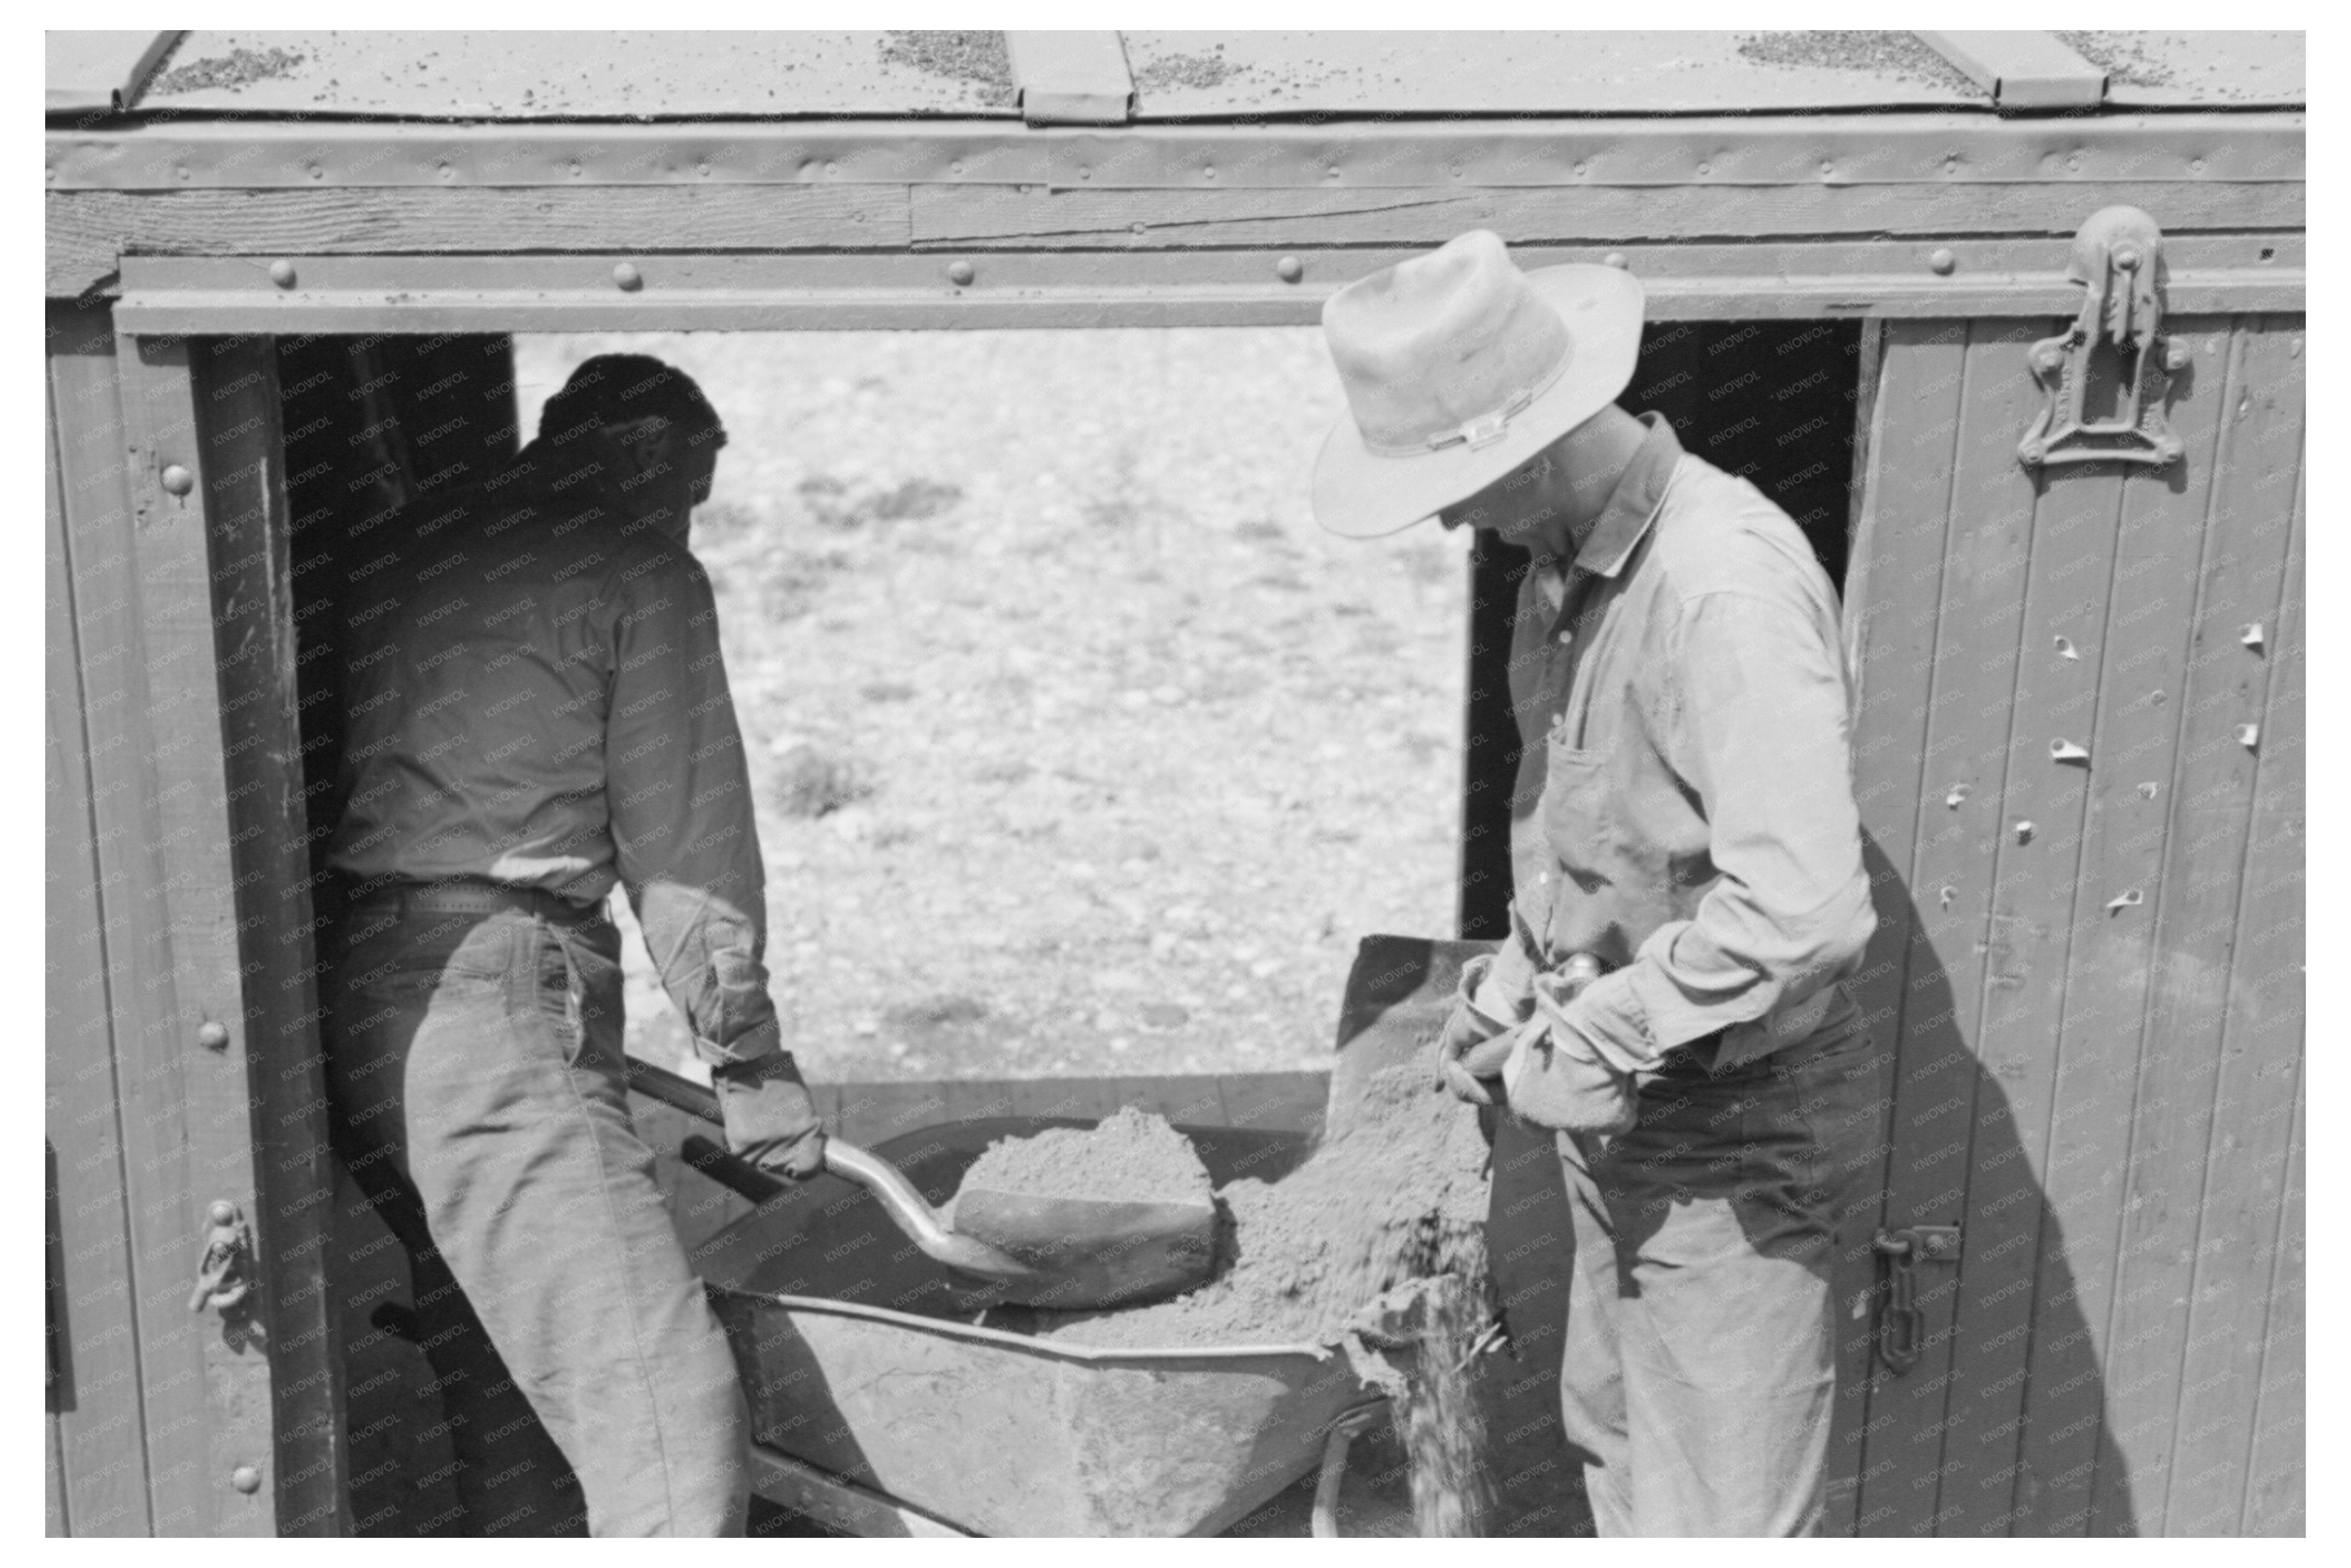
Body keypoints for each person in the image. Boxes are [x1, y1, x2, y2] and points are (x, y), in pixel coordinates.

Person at [1309, 231, 1882, 1536]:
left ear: (1542, 439)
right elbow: (1591, 827)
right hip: (1620, 1105)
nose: (1450, 515)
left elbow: (1802, 908)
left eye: (1455, 484)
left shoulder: (1717, 587)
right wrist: (1514, 982)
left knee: (1720, 1523)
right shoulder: (1557, 573)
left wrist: (1603, 1025)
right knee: (1619, 1455)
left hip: (1732, 1122)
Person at [322, 354, 824, 1536]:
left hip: (360, 1001)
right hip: (497, 1006)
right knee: (664, 1406)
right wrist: (750, 1070)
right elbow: (688, 854)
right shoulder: (635, 569)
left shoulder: (408, 546)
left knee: (509, 1389)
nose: (685, 516)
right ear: (650, 453)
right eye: (690, 488)